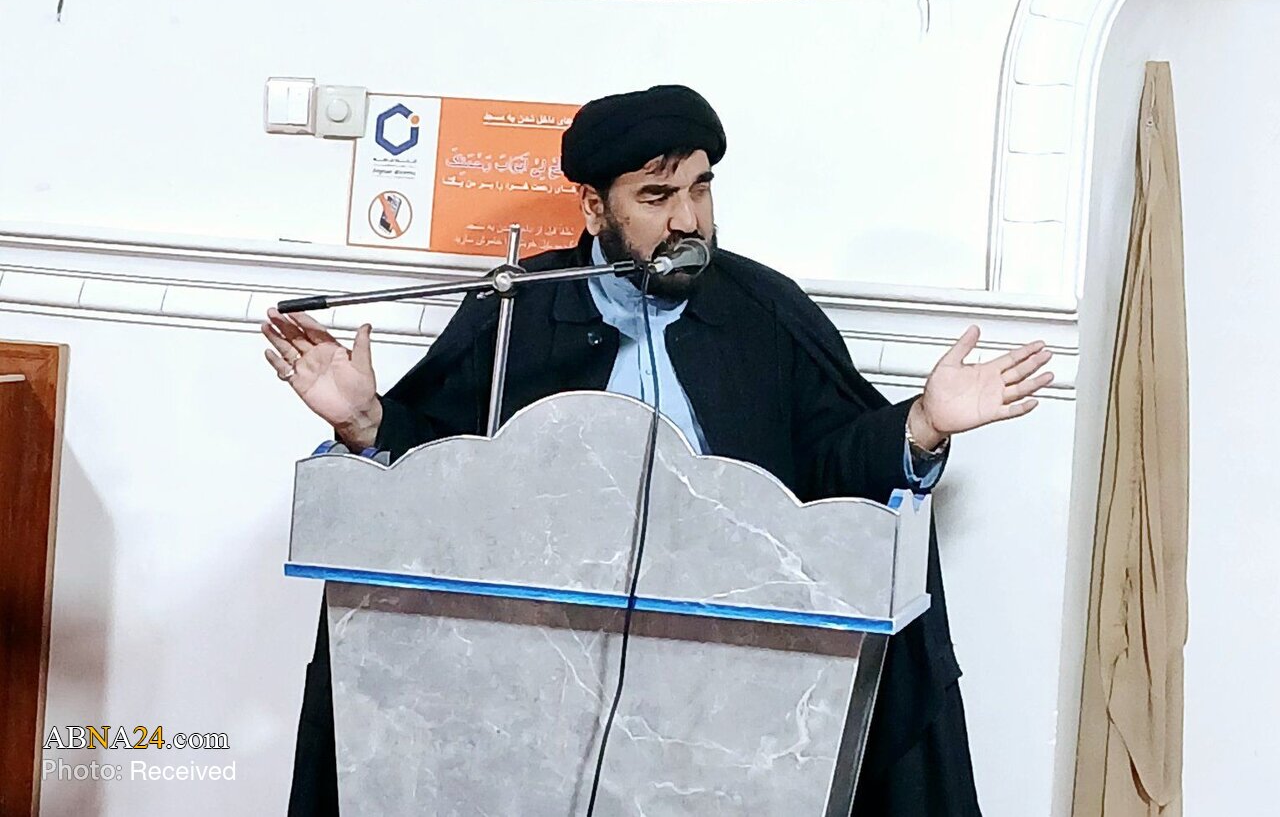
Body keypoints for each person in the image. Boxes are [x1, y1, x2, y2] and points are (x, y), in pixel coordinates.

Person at [263, 84, 1053, 816]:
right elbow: (439, 473)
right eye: (656, 196)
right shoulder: (518, 309)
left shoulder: (763, 311)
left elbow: (829, 474)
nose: (688, 220)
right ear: (592, 206)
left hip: (729, 670)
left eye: (700, 189)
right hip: (534, 667)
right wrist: (366, 421)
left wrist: (921, 424)